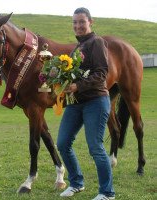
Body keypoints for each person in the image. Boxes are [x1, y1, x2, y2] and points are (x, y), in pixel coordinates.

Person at [56, 7, 115, 200]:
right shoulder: (77, 47)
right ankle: (76, 183)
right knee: (63, 143)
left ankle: (107, 193)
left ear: (91, 22)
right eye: (74, 22)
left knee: (95, 146)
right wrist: (58, 79)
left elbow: (101, 74)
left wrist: (77, 86)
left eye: (81, 21)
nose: (78, 25)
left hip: (96, 101)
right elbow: (73, 74)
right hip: (76, 103)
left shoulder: (97, 42)